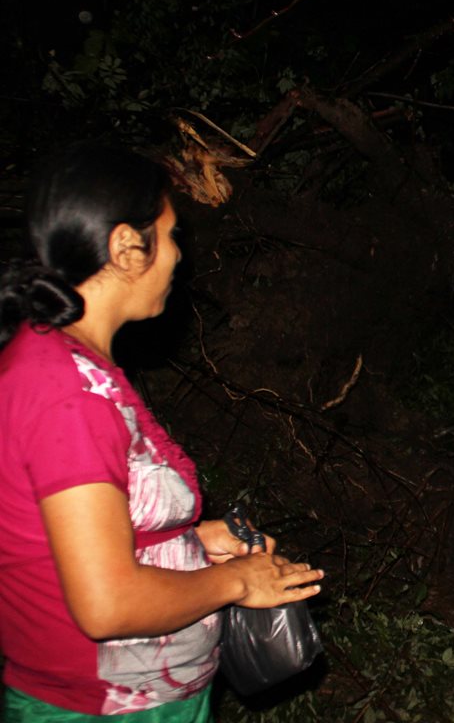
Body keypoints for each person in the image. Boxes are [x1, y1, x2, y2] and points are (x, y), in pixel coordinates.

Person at [0, 144, 324, 721]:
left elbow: (70, 541)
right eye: (172, 236)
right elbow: (108, 603)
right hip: (101, 708)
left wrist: (195, 542)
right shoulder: (67, 395)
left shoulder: (68, 362)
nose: (179, 256)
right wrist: (237, 582)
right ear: (127, 247)